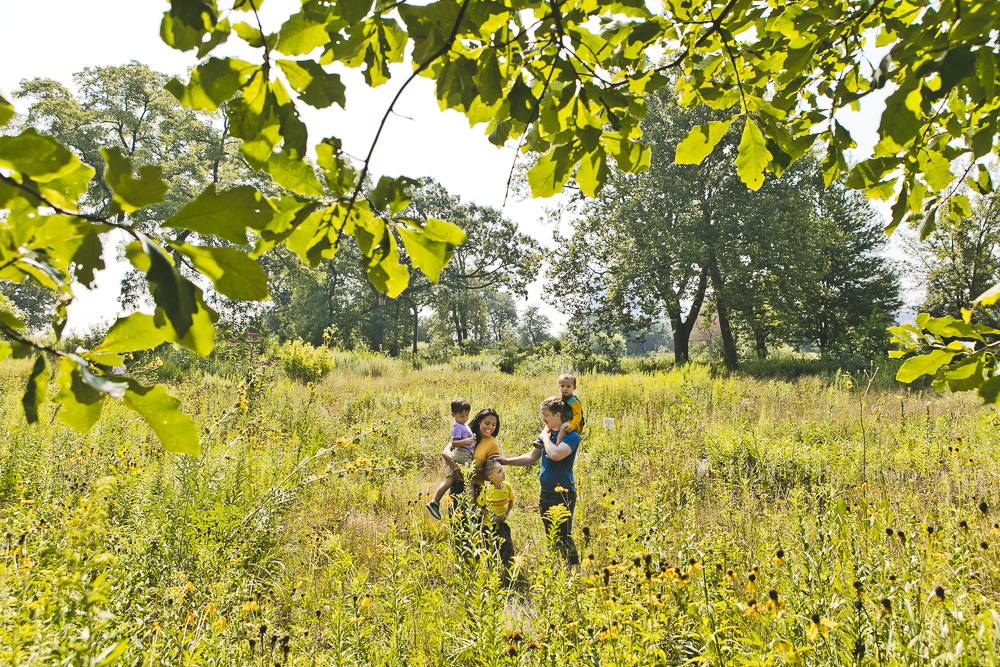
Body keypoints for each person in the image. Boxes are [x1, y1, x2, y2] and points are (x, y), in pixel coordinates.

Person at [494, 396, 580, 570]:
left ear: (557, 415)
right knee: (551, 535)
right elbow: (532, 456)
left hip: (563, 493)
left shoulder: (572, 436)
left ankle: (575, 574)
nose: (543, 419)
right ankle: (557, 572)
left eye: (546, 415)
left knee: (564, 536)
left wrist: (544, 437)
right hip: (546, 493)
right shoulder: (547, 435)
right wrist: (506, 461)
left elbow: (555, 454)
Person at [427, 398, 474, 520]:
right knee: (469, 480)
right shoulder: (458, 426)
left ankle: (434, 503)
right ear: (453, 415)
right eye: (461, 415)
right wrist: (466, 441)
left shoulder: (462, 425)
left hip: (457, 456)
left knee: (448, 482)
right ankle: (472, 506)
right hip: (462, 454)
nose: (465, 418)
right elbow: (454, 442)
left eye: (467, 415)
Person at [476, 458, 514, 566]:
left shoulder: (506, 486)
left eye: (502, 470)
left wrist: (506, 514)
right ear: (491, 477)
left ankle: (508, 570)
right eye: (499, 471)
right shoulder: (486, 490)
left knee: (507, 547)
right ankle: (493, 571)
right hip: (489, 526)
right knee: (491, 550)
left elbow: (510, 501)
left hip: (502, 523)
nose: (503, 473)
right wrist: (490, 515)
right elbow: (479, 506)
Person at [555, 373, 584, 445]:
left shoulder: (574, 401)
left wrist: (572, 426)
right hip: (565, 420)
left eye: (568, 386)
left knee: (563, 427)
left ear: (574, 388)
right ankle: (543, 441)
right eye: (562, 386)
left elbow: (578, 416)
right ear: (559, 386)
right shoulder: (561, 398)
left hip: (575, 423)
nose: (565, 389)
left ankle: (556, 445)